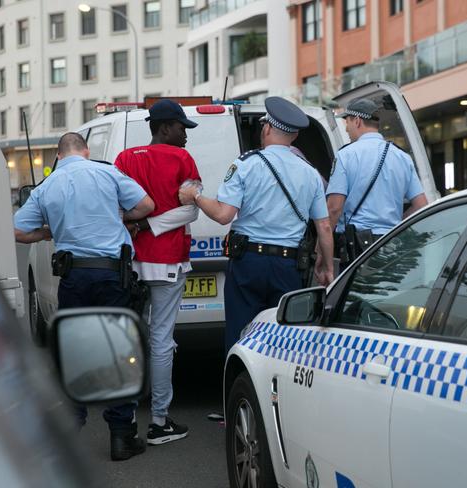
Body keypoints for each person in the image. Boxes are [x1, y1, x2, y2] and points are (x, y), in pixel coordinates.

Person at [13, 132, 155, 462]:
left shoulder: (47, 186)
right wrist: (119, 217)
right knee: (118, 348)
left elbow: (18, 230)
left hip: (74, 277)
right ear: (86, 151)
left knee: (75, 347)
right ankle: (121, 436)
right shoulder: (107, 172)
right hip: (111, 275)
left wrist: (49, 231)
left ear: (59, 156)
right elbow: (146, 205)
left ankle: (71, 427)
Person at [179, 96, 334, 352]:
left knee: (242, 339)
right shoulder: (310, 173)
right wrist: (326, 266)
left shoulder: (246, 164)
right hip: (289, 266)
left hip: (249, 264)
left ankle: (241, 389)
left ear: (266, 128)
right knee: (285, 342)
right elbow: (324, 228)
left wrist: (194, 196)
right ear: (294, 136)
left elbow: (223, 215)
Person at [114, 99, 201, 446]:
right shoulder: (182, 159)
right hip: (167, 260)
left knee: (131, 339)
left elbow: (117, 207)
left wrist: (138, 224)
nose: (185, 135)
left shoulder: (123, 159)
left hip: (132, 261)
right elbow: (190, 212)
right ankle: (160, 421)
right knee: (162, 340)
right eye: (182, 127)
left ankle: (129, 417)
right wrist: (152, 223)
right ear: (165, 127)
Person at [324, 98, 428, 270]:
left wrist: (322, 251)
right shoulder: (402, 157)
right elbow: (421, 205)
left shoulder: (346, 155)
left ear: (356, 121)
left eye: (347, 121)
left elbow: (334, 208)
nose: (346, 128)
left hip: (357, 249)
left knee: (357, 296)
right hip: (392, 245)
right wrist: (395, 225)